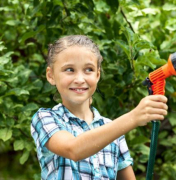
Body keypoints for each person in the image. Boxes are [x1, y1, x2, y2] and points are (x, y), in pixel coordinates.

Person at [31, 35, 168, 180]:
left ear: (97, 75)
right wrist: (134, 117)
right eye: (69, 69)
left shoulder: (113, 130)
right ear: (51, 75)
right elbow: (73, 149)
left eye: (88, 70)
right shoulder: (45, 118)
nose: (79, 79)